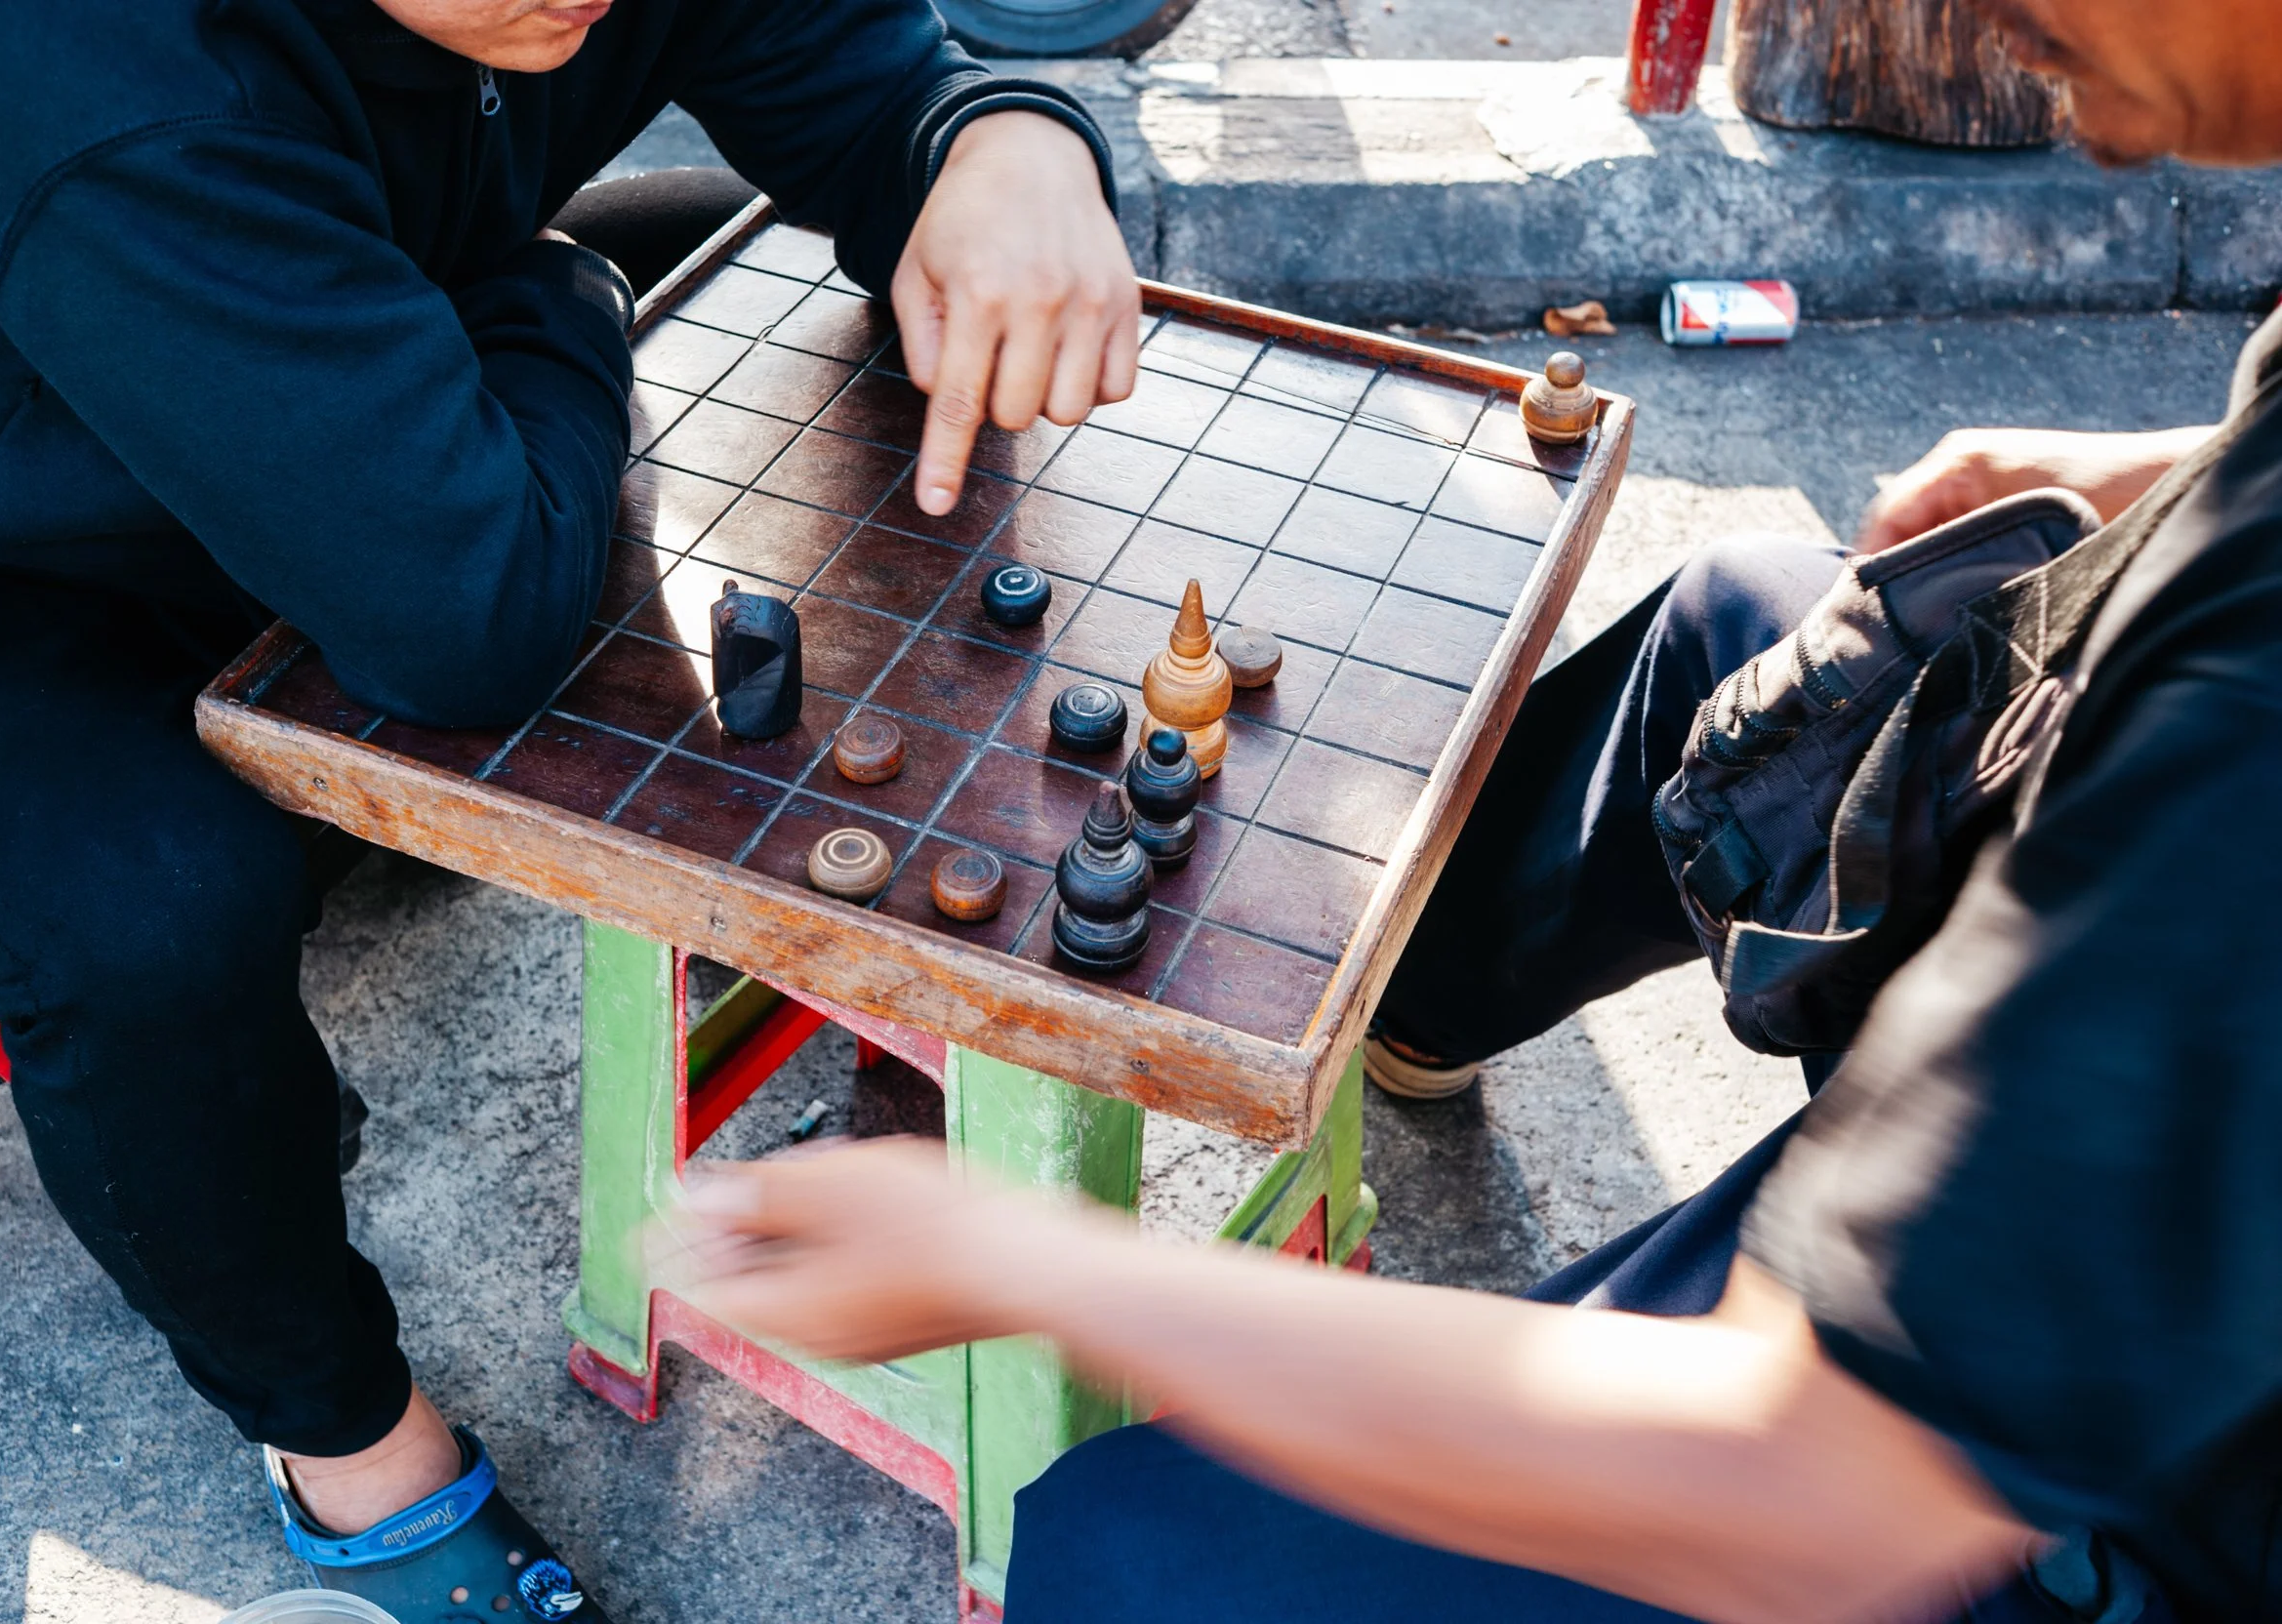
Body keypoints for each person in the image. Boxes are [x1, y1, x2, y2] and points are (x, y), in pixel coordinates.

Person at [676, 3, 2282, 1620]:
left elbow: (1819, 1483)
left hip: (2104, 1489)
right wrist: (2169, 467)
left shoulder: (2249, 699)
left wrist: (1019, 1262)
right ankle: (1414, 1005)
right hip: (2148, 992)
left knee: (1129, 1557)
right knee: (1741, 628)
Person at [0, 0, 1135, 1615]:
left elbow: (869, 92)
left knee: (829, 331)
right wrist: (558, 292)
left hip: (320, 334)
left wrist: (991, 137)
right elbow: (466, 620)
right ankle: (346, 1448)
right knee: (157, 907)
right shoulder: (51, 63)